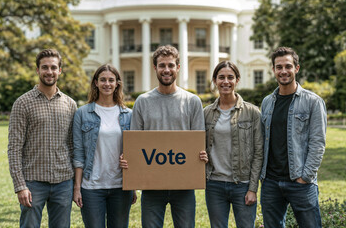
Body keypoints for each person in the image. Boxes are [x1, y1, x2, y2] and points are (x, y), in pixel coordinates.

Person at [120, 45, 208, 228]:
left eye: (170, 65)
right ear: (155, 68)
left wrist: (201, 155)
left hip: (184, 185)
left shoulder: (192, 102)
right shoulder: (142, 102)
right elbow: (135, 144)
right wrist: (128, 159)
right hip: (152, 186)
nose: (166, 70)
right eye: (162, 65)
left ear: (178, 67)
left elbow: (199, 143)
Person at [8, 49, 77, 228]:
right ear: (37, 70)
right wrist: (20, 186)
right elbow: (14, 148)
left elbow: (73, 146)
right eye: (44, 67)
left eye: (53, 67)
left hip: (64, 182)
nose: (49, 71)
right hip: (33, 183)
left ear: (60, 70)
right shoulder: (22, 103)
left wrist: (75, 184)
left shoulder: (70, 104)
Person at [260, 47, 327, 228]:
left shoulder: (313, 102)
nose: (283, 71)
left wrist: (306, 177)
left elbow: (318, 142)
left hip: (300, 182)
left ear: (296, 68)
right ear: (273, 70)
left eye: (288, 66)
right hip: (271, 183)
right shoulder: (267, 102)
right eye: (279, 67)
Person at [72, 64, 136, 228]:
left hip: (120, 187)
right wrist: (77, 188)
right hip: (91, 187)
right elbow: (78, 154)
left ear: (117, 84)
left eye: (111, 80)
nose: (107, 84)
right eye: (103, 80)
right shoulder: (83, 113)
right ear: (95, 83)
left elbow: (134, 154)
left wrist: (133, 187)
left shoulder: (128, 115)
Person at [204, 61, 263, 228]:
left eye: (230, 77)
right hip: (214, 184)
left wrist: (253, 188)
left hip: (242, 185)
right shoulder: (206, 113)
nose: (226, 82)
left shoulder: (252, 112)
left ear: (237, 80)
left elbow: (259, 152)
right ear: (215, 80)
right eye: (221, 77)